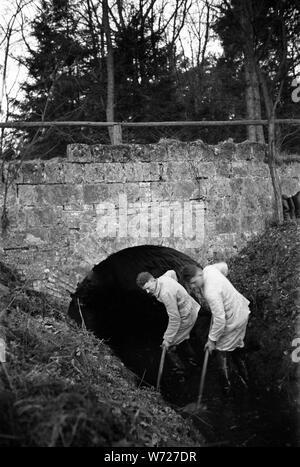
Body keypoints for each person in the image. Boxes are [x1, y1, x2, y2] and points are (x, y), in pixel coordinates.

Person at [181, 262, 250, 393]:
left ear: (199, 274)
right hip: (240, 308)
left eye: (194, 282)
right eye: (190, 284)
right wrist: (223, 287)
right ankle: (244, 377)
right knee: (234, 346)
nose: (193, 287)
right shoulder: (209, 269)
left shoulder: (210, 292)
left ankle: (226, 386)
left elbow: (220, 319)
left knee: (219, 349)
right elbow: (224, 267)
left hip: (234, 317)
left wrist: (212, 340)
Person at [136, 269, 200, 381]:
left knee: (168, 346)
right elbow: (172, 272)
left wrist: (167, 339)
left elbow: (175, 319)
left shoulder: (166, 294)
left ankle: (183, 371)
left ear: (152, 280)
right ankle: (194, 361)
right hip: (191, 307)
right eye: (145, 290)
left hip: (186, 316)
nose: (147, 292)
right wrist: (177, 291)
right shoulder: (163, 278)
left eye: (148, 288)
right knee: (182, 338)